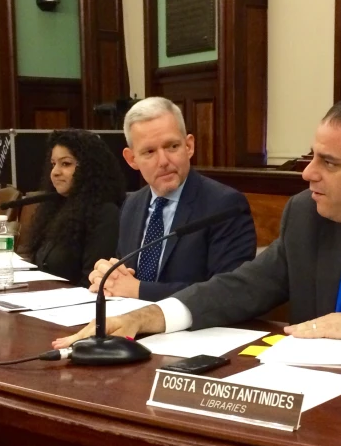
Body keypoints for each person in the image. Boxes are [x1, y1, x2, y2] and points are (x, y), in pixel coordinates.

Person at [55, 97, 341, 356]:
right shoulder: (307, 214)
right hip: (315, 395)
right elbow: (241, 287)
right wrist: (150, 315)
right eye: (311, 155)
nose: (307, 173)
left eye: (328, 162)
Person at [87, 96, 256, 302]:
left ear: (189, 146)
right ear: (132, 159)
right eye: (149, 152)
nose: (164, 161)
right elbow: (127, 278)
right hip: (133, 324)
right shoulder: (132, 205)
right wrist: (110, 278)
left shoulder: (225, 205)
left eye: (172, 147)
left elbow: (228, 292)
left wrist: (139, 290)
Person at [28, 129, 125, 286]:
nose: (54, 172)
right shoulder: (57, 206)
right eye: (53, 164)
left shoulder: (105, 213)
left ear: (89, 169)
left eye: (65, 164)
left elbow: (92, 281)